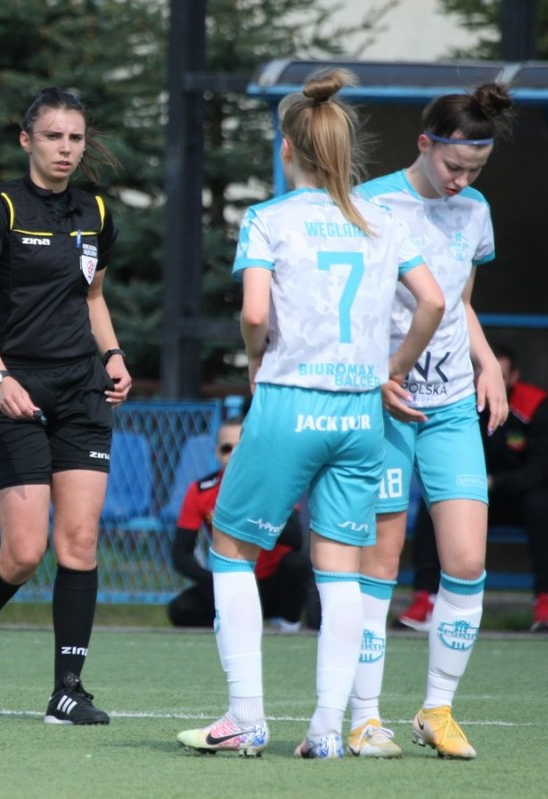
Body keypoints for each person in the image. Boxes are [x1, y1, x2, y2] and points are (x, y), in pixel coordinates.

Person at [175, 67, 444, 759]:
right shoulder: (382, 220)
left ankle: (245, 717)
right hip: (359, 413)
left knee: (231, 548)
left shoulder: (268, 219)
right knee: (340, 566)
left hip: (292, 400)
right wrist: (391, 370)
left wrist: (254, 361)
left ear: (287, 148)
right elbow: (434, 302)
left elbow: (254, 314)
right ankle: (327, 729)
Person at [0, 87, 131, 725]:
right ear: (27, 140)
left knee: (79, 541)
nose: (65, 149)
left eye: (75, 138)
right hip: (16, 390)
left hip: (82, 390)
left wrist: (113, 355)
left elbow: (92, 297)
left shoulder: (96, 210)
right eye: (53, 136)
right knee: (24, 551)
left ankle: (68, 691)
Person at [347, 82, 514, 760]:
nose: (461, 181)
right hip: (384, 404)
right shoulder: (371, 204)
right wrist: (374, 376)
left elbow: (458, 302)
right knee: (379, 560)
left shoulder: (475, 210)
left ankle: (436, 709)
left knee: (467, 560)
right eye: (453, 166)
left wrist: (488, 363)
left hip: (449, 407)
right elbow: (353, 305)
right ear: (424, 143)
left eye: (475, 170)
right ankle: (364, 717)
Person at [399, 342, 548, 634]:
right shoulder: (463, 402)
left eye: (498, 375)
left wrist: (496, 482)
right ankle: (425, 599)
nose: (487, 380)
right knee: (436, 503)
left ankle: (546, 603)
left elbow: (542, 467)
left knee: (541, 507)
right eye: (481, 373)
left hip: (522, 494)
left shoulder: (535, 404)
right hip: (478, 494)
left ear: (513, 378)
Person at [167, 417, 315, 633]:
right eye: (227, 449)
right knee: (181, 609)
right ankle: (229, 625)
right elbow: (181, 555)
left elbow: (295, 538)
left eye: (241, 448)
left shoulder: (275, 484)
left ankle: (289, 625)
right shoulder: (200, 491)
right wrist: (214, 581)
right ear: (217, 453)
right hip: (231, 583)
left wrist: (248, 514)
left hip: (272, 586)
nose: (234, 455)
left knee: (295, 564)